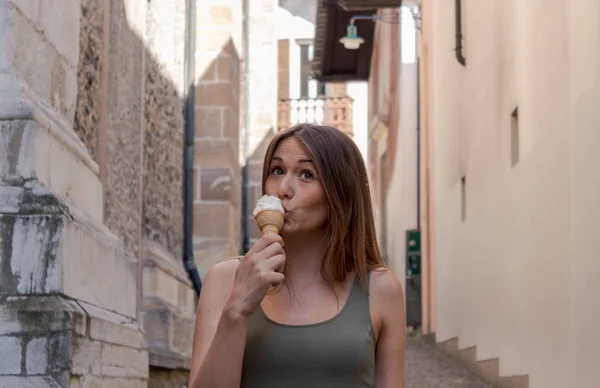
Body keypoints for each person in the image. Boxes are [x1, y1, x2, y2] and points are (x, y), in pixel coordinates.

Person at [188, 123, 406, 388]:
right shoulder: (224, 280)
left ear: (340, 193)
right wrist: (237, 309)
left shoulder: (381, 289)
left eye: (306, 174)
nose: (282, 188)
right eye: (277, 170)